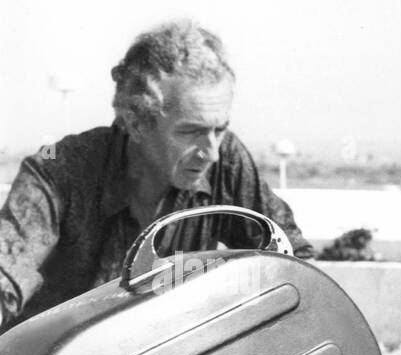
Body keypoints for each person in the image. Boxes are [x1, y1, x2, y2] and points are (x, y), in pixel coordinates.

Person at [0, 20, 313, 332]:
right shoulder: (58, 170)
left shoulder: (226, 161)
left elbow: (292, 263)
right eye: (190, 131)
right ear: (136, 123)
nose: (211, 152)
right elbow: (5, 277)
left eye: (220, 129)